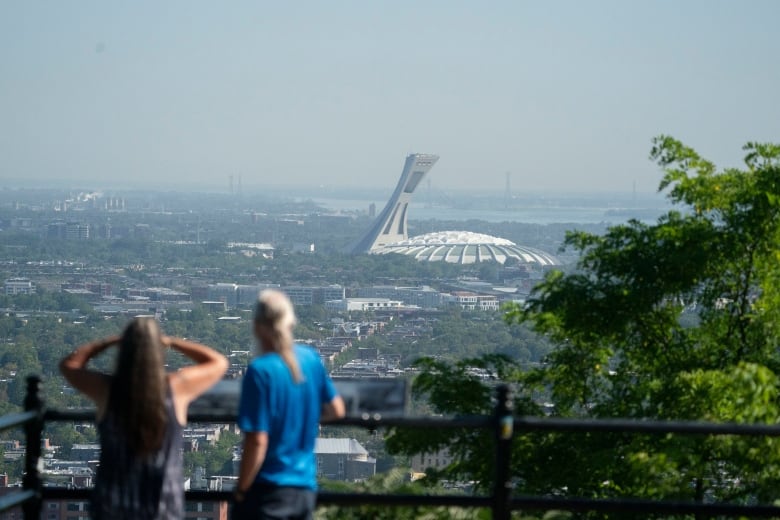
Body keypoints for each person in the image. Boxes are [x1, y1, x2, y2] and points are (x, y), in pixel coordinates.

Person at [59, 317, 228, 520]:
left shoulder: (108, 390)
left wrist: (108, 342)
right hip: (163, 506)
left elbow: (69, 365)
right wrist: (171, 342)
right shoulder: (176, 388)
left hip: (113, 505)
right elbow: (218, 362)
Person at [234, 289, 345, 520]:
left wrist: (242, 489)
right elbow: (337, 410)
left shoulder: (260, 370)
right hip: (303, 489)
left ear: (257, 326)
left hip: (268, 491)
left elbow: (257, 440)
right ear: (290, 322)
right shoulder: (311, 359)